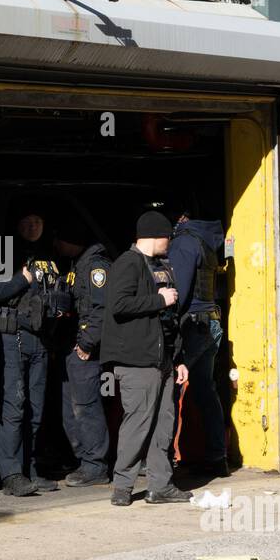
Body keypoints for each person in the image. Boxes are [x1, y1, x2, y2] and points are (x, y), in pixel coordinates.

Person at [0, 207, 73, 496]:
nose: (34, 226)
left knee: (36, 407)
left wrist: (61, 308)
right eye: (28, 221)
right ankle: (11, 474)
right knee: (15, 406)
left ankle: (30, 468)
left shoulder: (51, 255)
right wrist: (21, 280)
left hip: (42, 339)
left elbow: (60, 291)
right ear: (18, 223)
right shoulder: (5, 253)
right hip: (13, 337)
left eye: (38, 220)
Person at [102, 210, 189, 506]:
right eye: (168, 236)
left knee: (164, 424)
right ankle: (122, 488)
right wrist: (159, 300)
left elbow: (170, 320)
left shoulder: (160, 265)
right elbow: (118, 304)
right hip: (137, 362)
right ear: (156, 235)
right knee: (138, 424)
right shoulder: (127, 263)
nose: (171, 242)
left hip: (162, 359)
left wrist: (178, 359)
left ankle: (160, 485)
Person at [168, 197, 229, 478]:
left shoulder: (183, 241)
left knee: (170, 390)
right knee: (206, 391)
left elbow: (178, 290)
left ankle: (164, 459)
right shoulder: (205, 239)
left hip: (192, 325)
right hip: (211, 323)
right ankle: (218, 457)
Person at [52, 219, 112, 487]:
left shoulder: (96, 266)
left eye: (59, 240)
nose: (56, 245)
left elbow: (102, 309)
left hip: (85, 349)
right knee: (71, 409)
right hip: (72, 348)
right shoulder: (78, 264)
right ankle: (85, 461)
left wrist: (87, 344)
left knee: (86, 407)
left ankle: (95, 466)